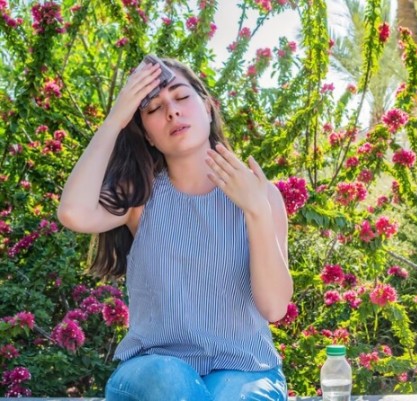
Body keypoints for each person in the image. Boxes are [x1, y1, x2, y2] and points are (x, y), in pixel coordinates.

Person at [57, 57, 293, 401]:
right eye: (154, 108)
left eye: (181, 97)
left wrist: (256, 210)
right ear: (148, 136)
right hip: (152, 372)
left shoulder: (261, 195)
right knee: (171, 379)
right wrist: (115, 119)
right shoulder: (140, 197)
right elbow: (73, 212)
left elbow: (274, 308)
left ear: (208, 108)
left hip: (246, 370)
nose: (172, 112)